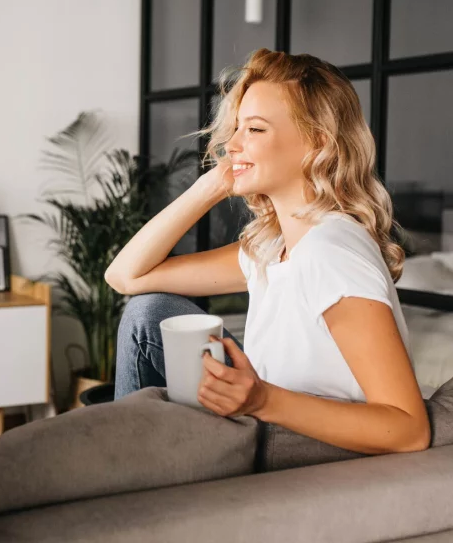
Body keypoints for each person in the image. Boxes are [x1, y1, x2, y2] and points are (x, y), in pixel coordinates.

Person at [105, 48, 430, 455]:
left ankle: (124, 473)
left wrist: (261, 399)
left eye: (255, 130)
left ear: (316, 144)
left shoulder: (330, 253)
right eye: (235, 128)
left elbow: (409, 429)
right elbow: (126, 277)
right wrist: (209, 187)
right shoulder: (273, 247)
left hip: (298, 451)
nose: (231, 145)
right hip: (261, 423)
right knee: (146, 312)